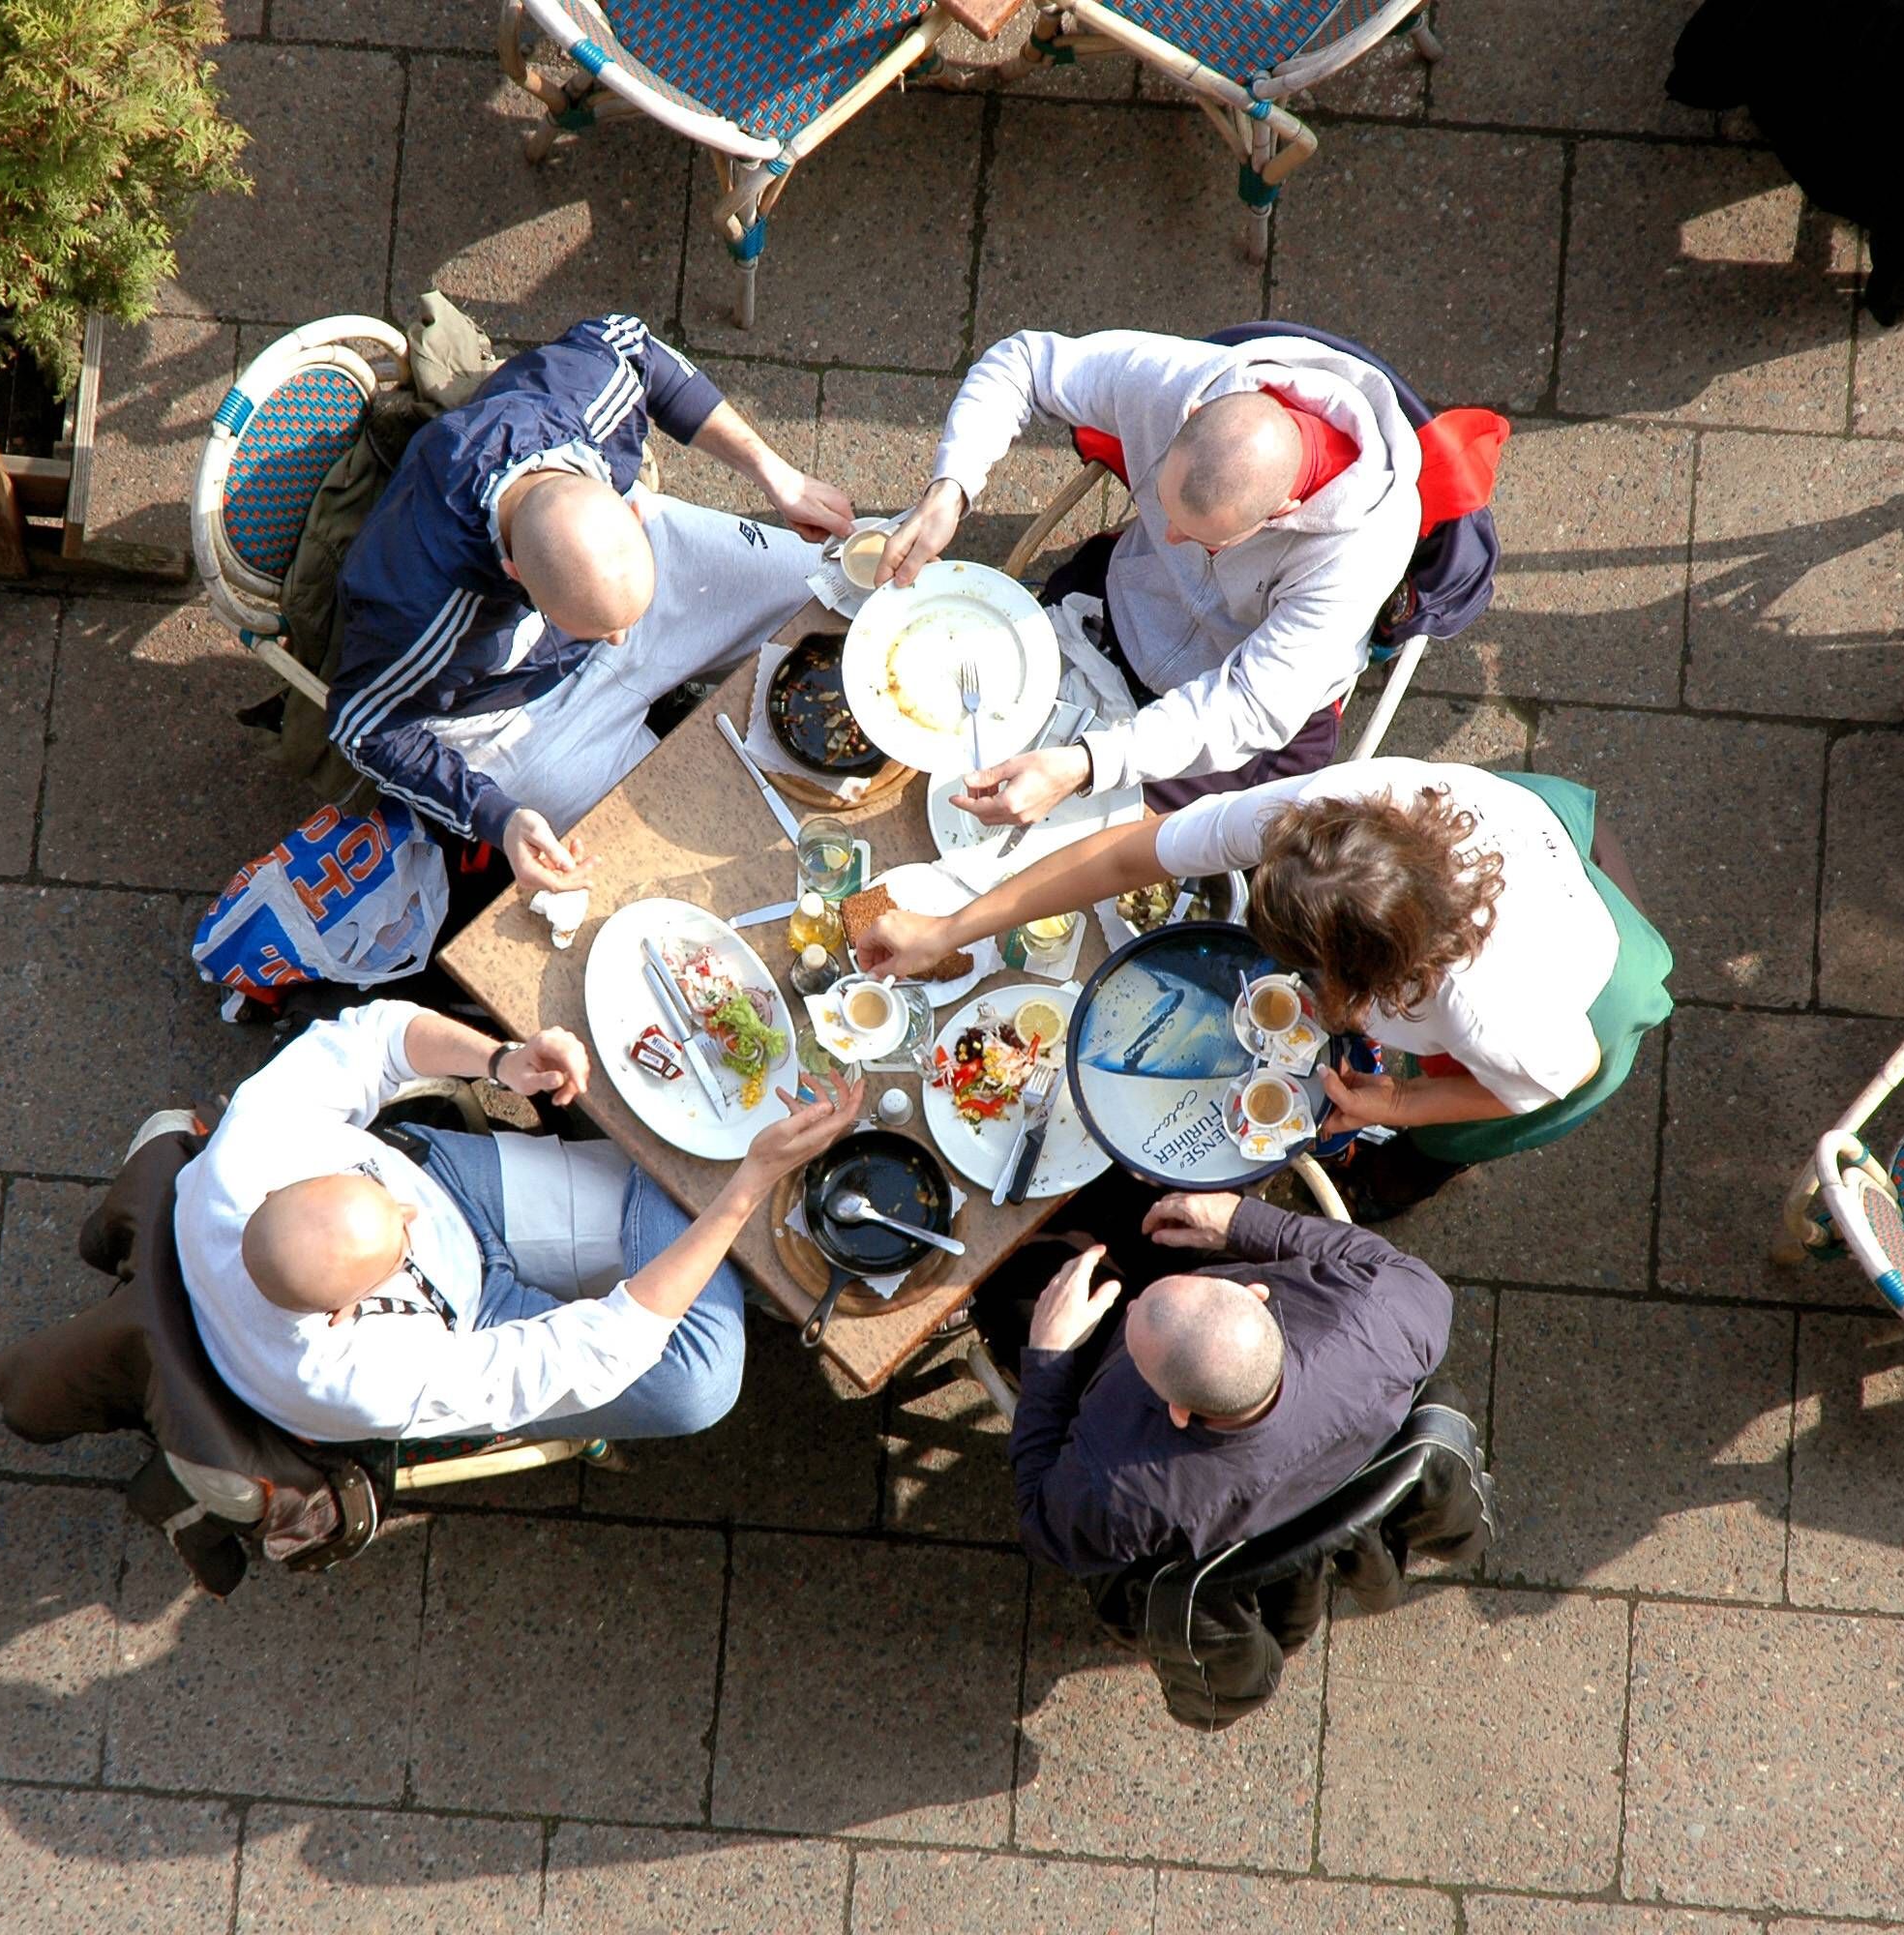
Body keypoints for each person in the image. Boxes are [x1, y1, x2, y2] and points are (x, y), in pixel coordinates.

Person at [853, 757, 1674, 1211]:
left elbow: (1564, 1073)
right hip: (1511, 835)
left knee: (1456, 1127)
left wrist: (1396, 1107)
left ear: (1370, 978)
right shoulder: (1322, 821)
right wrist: (948, 932)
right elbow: (1125, 856)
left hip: (1584, 995)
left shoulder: (1489, 1015)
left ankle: (1415, 1168)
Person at [173, 997, 864, 1444]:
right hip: (470, 1320)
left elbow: (374, 1037)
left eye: (373, 1188)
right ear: (341, 1314)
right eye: (398, 1240)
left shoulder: (256, 1143)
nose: (410, 1213)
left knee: (686, 1175)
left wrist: (499, 1062)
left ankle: (745, 1224)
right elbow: (602, 1349)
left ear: (279, 1188)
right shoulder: (365, 1378)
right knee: (698, 1384)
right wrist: (745, 1186)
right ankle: (762, 1211)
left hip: (452, 1180)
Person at [332, 313, 854, 895]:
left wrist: (774, 474)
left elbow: (636, 345)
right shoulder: (417, 609)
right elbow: (365, 726)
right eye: (599, 627)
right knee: (665, 877)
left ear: (623, 503)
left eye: (620, 623)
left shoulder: (581, 397)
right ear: (514, 576)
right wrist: (497, 820)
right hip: (529, 715)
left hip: (648, 568)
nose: (619, 641)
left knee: (847, 589)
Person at [874, 326, 1427, 820]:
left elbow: (1251, 706)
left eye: (1204, 540)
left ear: (1281, 511)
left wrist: (1089, 764)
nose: (1169, 540)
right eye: (1165, 507)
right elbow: (1021, 363)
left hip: (1234, 711)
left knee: (1109, 867)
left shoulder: (1362, 548)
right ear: (1190, 416)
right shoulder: (1176, 385)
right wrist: (951, 489)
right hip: (1117, 605)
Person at [993, 1175, 1454, 1575]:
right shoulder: (1388, 1318)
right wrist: (1237, 1221)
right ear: (1254, 1295)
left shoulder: (1118, 1493)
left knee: (1005, 1284)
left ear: (1177, 1411)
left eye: (1132, 1313)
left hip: (1087, 1377)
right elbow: (1396, 1270)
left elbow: (1040, 1524)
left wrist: (1047, 1359)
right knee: (1120, 1197)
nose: (1132, 1302)